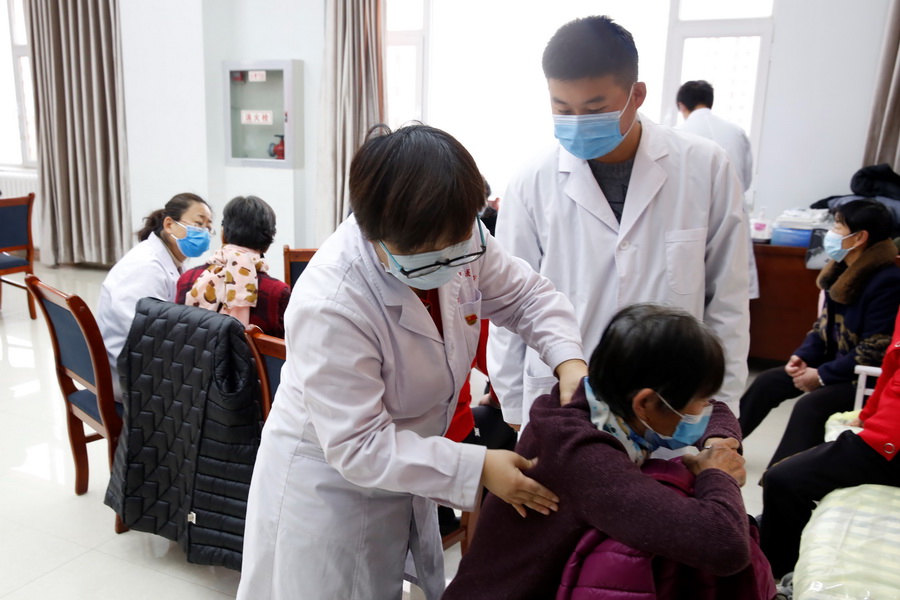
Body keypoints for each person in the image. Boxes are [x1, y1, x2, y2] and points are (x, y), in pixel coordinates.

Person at [236, 124, 588, 600]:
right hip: (328, 488)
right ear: (375, 233)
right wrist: (479, 467)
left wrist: (569, 362)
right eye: (428, 256)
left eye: (457, 245)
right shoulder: (332, 301)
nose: (450, 263)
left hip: (407, 462)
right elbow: (360, 446)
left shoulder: (460, 236)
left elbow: (527, 296)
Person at [487, 15, 750, 430]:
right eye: (562, 109)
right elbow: (508, 302)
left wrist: (722, 413)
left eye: (594, 109)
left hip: (670, 397)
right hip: (563, 399)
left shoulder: (706, 167)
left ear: (636, 94)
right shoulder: (531, 180)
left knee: (667, 474)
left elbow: (728, 303)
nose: (577, 122)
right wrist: (515, 409)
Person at [444, 304, 775, 599]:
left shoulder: (600, 399)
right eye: (699, 402)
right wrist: (718, 475)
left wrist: (718, 443)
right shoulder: (584, 458)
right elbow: (724, 545)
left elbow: (718, 412)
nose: (705, 411)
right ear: (645, 403)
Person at [739, 199, 900, 467]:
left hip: (861, 378)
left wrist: (822, 375)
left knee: (810, 406)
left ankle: (779, 478)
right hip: (835, 365)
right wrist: (802, 357)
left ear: (859, 237)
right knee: (768, 382)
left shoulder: (887, 282)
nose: (831, 233)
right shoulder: (841, 270)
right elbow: (822, 328)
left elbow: (874, 350)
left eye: (837, 226)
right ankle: (723, 445)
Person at [760, 305, 900, 580]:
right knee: (782, 471)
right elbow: (891, 365)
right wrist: (867, 415)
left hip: (888, 444)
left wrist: (824, 374)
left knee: (782, 478)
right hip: (882, 431)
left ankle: (773, 575)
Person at [97, 192, 213, 399]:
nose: (203, 233)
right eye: (198, 224)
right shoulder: (147, 266)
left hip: (142, 363)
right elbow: (143, 333)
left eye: (208, 228)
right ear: (169, 224)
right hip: (129, 375)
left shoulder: (171, 261)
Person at [175, 195, 291, 337]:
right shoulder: (277, 293)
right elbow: (287, 347)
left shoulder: (187, 280)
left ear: (223, 235)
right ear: (267, 245)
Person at [676, 80, 753, 193]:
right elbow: (746, 180)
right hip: (736, 202)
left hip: (692, 203)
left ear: (681, 106)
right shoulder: (737, 132)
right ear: (710, 103)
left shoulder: (677, 133)